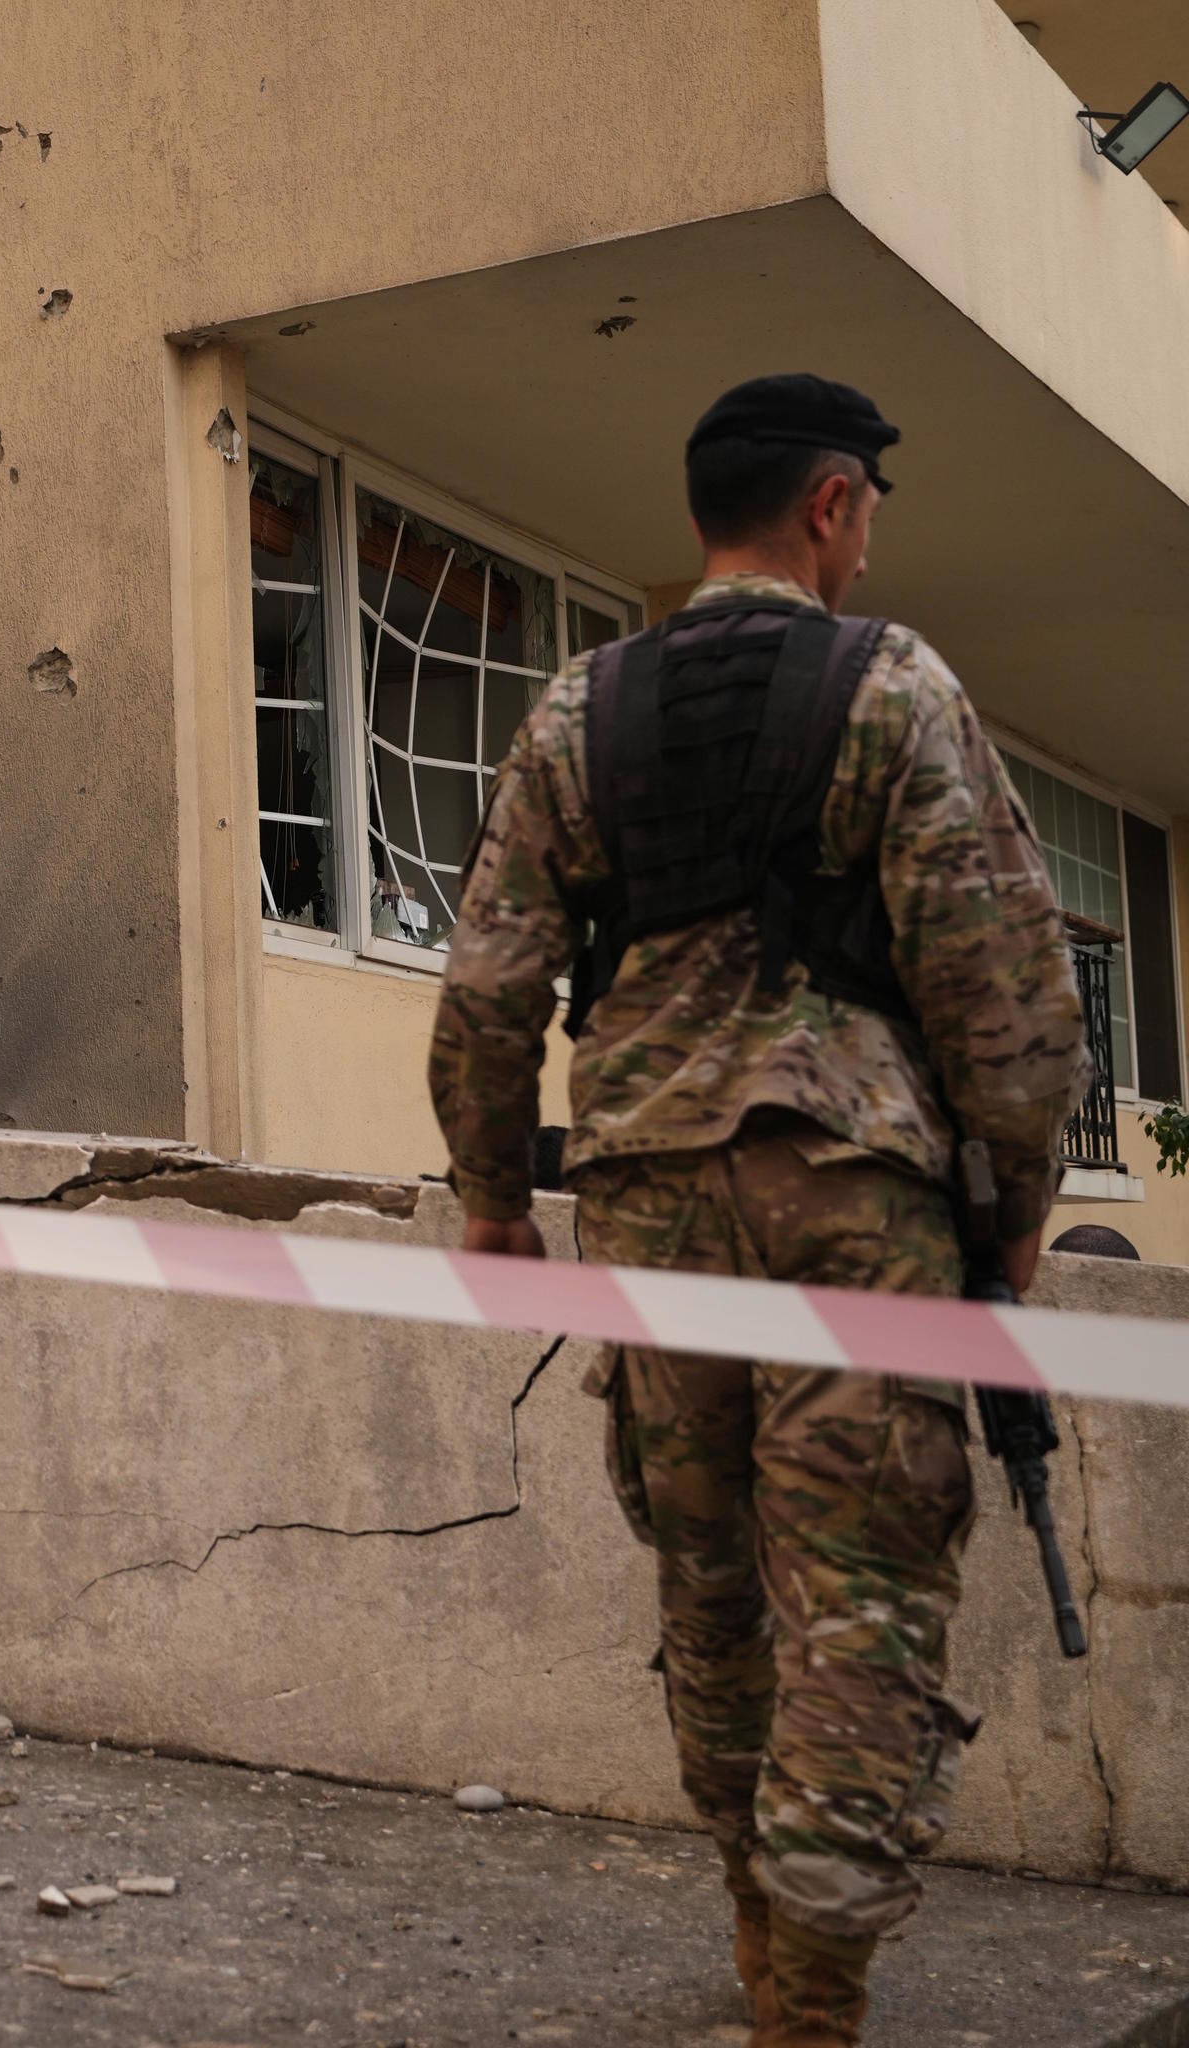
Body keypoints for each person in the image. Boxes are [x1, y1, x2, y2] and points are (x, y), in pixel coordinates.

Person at [428, 374, 1087, 2046]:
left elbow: (493, 978)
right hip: (850, 1208)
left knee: (710, 1604)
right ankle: (811, 2011)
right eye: (870, 504)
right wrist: (1014, 1207)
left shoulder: (582, 707)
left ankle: (755, 1933)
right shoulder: (893, 685)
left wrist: (496, 1203)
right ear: (829, 506)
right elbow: (1000, 980)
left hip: (645, 1211)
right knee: (855, 1612)